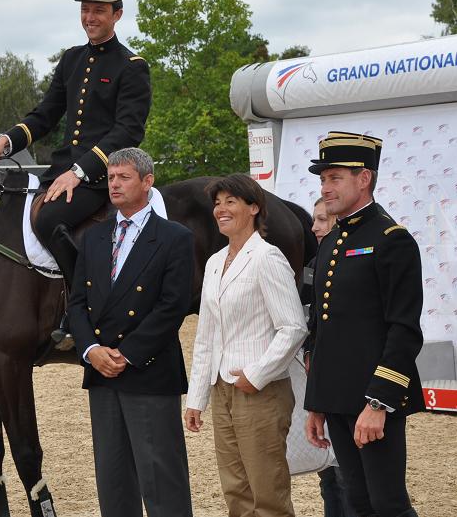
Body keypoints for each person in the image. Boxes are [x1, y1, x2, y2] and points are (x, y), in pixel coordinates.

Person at [0, 0, 151, 303]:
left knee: (49, 220)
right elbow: (45, 114)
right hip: (61, 171)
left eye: (99, 10)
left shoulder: (132, 66)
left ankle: (85, 303)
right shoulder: (71, 59)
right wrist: (7, 141)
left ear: (118, 14)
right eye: (85, 9)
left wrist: (80, 171)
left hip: (100, 177)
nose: (89, 18)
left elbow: (128, 131)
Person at [66, 147, 194, 517]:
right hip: (102, 375)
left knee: (162, 483)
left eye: (124, 177)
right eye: (110, 178)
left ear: (148, 182)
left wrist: (126, 354)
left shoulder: (174, 237)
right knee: (114, 483)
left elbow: (172, 306)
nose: (115, 184)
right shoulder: (93, 238)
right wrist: (91, 349)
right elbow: (77, 303)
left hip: (148, 372)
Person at [303, 131, 424, 517]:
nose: (326, 187)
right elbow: (322, 328)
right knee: (355, 500)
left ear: (364, 178)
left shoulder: (392, 240)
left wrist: (378, 403)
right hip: (337, 398)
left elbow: (404, 330)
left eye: (335, 177)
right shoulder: (331, 240)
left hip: (374, 398)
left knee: (387, 503)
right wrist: (318, 404)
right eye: (323, 179)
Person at [184, 173, 307, 517]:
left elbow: (293, 327)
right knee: (236, 493)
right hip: (222, 390)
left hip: (260, 391)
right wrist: (197, 399)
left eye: (231, 202)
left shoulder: (268, 258)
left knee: (268, 495)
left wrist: (257, 374)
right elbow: (206, 337)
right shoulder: (212, 264)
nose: (221, 209)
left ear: (254, 208)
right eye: (217, 203)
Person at [303, 197, 353, 517]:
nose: (315, 227)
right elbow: (310, 321)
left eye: (322, 220)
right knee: (328, 476)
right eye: (314, 220)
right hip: (318, 377)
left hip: (346, 379)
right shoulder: (310, 265)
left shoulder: (349, 262)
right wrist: (308, 351)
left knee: (349, 474)